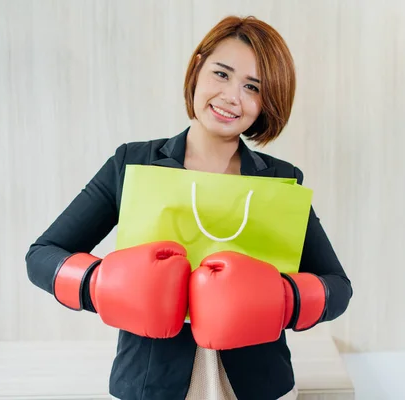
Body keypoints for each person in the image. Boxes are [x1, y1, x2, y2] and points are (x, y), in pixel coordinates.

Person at [25, 15, 353, 400]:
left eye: (252, 87)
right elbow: (42, 256)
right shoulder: (133, 164)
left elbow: (338, 287)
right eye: (222, 74)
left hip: (259, 385)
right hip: (151, 385)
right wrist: (103, 284)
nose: (232, 96)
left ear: (267, 103)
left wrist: (281, 299)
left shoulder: (280, 181)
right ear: (197, 68)